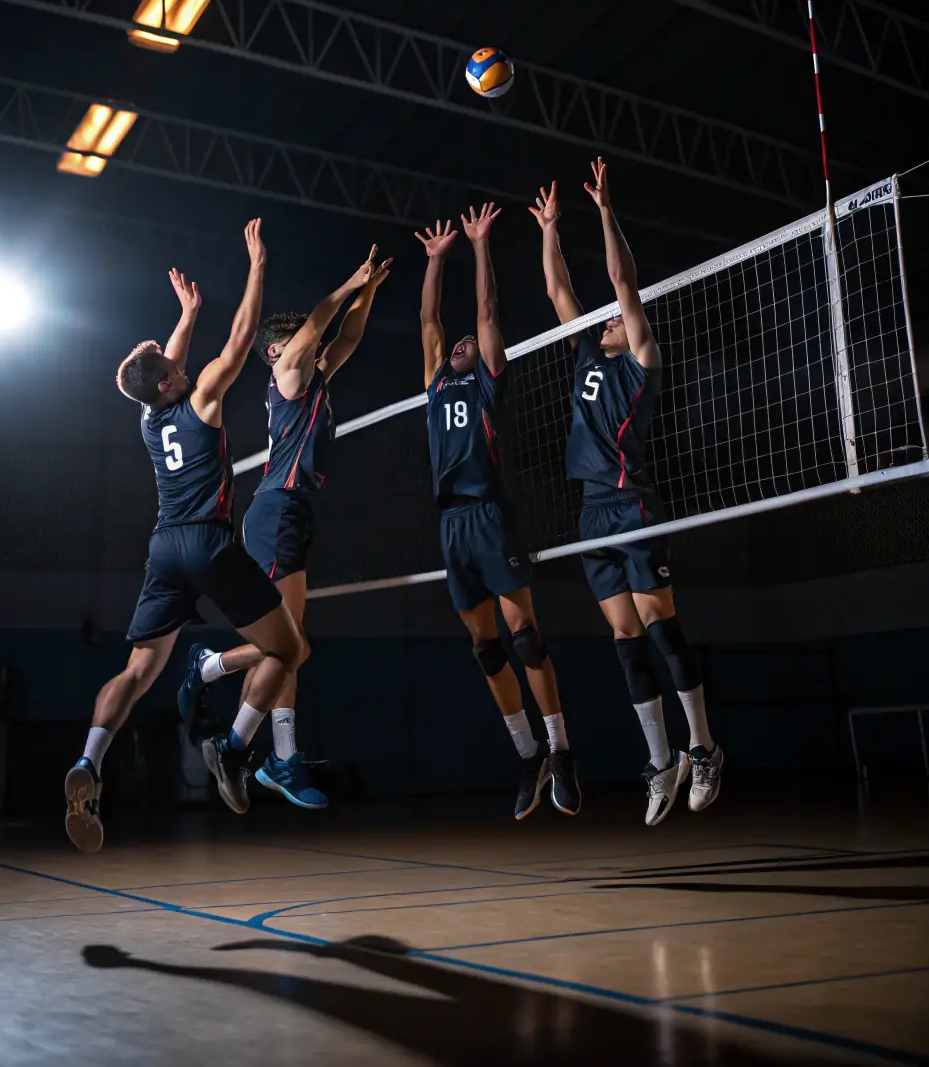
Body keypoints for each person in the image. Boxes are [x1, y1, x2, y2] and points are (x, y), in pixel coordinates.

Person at [64, 220, 303, 853]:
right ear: (171, 381)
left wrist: (188, 312)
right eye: (174, 365)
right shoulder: (199, 400)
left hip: (164, 547)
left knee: (138, 670)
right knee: (289, 651)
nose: (180, 364)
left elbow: (159, 370)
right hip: (208, 542)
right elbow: (244, 338)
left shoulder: (150, 416)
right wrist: (256, 264)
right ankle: (233, 748)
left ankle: (89, 763)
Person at [530, 160, 723, 825]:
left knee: (661, 622)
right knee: (623, 634)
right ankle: (659, 760)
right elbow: (558, 285)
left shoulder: (642, 358)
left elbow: (622, 280)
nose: (609, 319)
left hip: (632, 500)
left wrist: (605, 209)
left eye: (617, 317)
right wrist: (552, 228)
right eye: (608, 319)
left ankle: (702, 746)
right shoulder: (587, 351)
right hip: (591, 511)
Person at [177, 245, 392, 809]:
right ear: (277, 351)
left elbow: (345, 337)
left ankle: (267, 748)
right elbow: (324, 322)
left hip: (292, 511)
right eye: (300, 338)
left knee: (290, 647)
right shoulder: (289, 374)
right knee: (290, 645)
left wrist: (366, 294)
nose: (313, 344)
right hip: (276, 510)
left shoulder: (313, 377)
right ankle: (244, 734)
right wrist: (348, 283)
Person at [415, 203, 580, 820]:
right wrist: (435, 260)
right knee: (485, 649)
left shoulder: (488, 380)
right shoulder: (434, 383)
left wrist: (480, 246)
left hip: (490, 516)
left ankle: (562, 751)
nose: (460, 341)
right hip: (451, 525)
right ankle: (527, 754)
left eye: (467, 343)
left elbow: (484, 312)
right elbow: (430, 318)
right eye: (455, 344)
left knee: (525, 637)